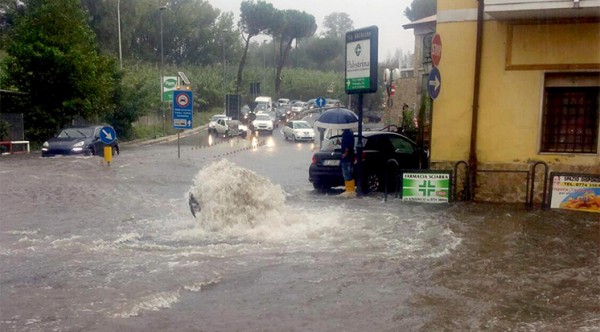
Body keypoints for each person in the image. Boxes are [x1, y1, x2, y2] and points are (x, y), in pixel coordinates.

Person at [340, 128, 356, 197]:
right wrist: (340, 143)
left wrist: (345, 154)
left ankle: (349, 191)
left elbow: (347, 146)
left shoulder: (346, 134)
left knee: (347, 174)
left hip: (347, 158)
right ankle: (351, 190)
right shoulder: (350, 133)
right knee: (349, 174)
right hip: (350, 158)